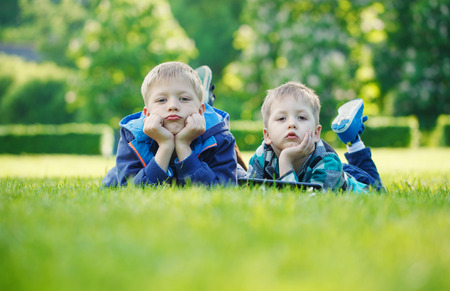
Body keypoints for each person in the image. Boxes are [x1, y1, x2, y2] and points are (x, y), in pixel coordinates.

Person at [102, 62, 238, 187]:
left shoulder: (220, 137)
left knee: (241, 175)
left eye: (184, 99)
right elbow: (131, 190)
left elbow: (223, 189)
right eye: (161, 100)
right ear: (147, 114)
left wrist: (183, 145)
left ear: (200, 110)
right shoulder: (132, 137)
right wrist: (165, 146)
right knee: (112, 180)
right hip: (117, 176)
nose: (173, 106)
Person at [244, 81, 383, 192]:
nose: (292, 124)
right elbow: (248, 190)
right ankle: (352, 141)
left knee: (377, 188)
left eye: (302, 117)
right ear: (267, 135)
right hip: (330, 172)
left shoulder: (328, 162)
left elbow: (301, 202)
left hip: (348, 178)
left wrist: (285, 160)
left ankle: (354, 143)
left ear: (317, 133)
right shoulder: (262, 156)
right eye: (281, 118)